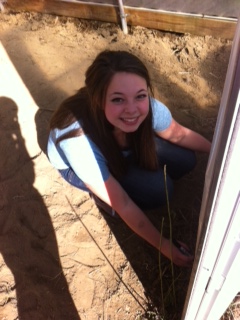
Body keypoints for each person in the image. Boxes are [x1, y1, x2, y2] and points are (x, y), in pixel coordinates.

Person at [47, 50, 211, 267]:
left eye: (140, 96)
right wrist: (165, 246)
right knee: (160, 190)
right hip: (80, 165)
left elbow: (178, 134)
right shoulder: (77, 140)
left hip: (119, 142)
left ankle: (128, 167)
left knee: (186, 159)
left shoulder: (149, 107)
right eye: (117, 99)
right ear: (98, 99)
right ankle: (101, 194)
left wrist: (222, 153)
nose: (132, 109)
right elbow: (123, 203)